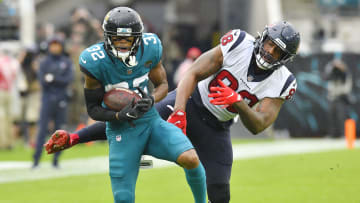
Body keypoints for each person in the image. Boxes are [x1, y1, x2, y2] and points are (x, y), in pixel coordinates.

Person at [45, 21, 300, 203]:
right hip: (189, 103)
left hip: (217, 127)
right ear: (262, 37)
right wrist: (179, 111)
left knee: (221, 193)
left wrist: (238, 103)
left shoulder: (283, 82)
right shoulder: (239, 43)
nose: (269, 52)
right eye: (269, 44)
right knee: (134, 116)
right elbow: (192, 73)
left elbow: (259, 125)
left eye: (278, 51)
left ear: (285, 58)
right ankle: (74, 137)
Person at [46, 7, 207, 203]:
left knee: (191, 158)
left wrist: (152, 99)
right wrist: (118, 116)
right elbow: (93, 109)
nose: (122, 43)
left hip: (150, 121)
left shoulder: (150, 47)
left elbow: (162, 85)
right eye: (117, 38)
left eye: (128, 38)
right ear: (106, 37)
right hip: (121, 130)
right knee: (123, 198)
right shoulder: (94, 61)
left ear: (138, 37)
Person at [32, 36, 73, 168]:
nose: (55, 48)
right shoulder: (44, 62)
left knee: (60, 131)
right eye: (52, 45)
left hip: (61, 99)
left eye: (57, 45)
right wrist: (56, 80)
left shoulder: (66, 61)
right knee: (42, 130)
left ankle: (56, 160)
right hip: (47, 99)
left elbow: (67, 80)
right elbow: (43, 82)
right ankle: (36, 159)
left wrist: (53, 78)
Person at [324, 58, 353, 138]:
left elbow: (346, 86)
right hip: (332, 98)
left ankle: (343, 134)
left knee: (342, 117)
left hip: (341, 98)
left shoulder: (345, 74)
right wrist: (331, 68)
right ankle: (332, 134)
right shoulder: (332, 73)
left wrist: (341, 70)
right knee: (331, 117)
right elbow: (326, 78)